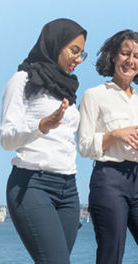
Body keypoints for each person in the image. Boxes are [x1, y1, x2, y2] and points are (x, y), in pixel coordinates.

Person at [0, 18, 87, 264]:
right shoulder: (22, 81)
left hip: (69, 190)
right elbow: (6, 138)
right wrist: (40, 126)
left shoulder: (66, 87)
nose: (78, 59)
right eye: (74, 50)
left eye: (82, 53)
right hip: (32, 185)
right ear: (55, 44)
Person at [78, 30, 138, 264]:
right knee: (111, 254)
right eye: (125, 53)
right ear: (113, 56)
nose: (130, 60)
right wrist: (114, 135)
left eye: (136, 56)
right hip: (109, 179)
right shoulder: (94, 95)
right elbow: (83, 146)